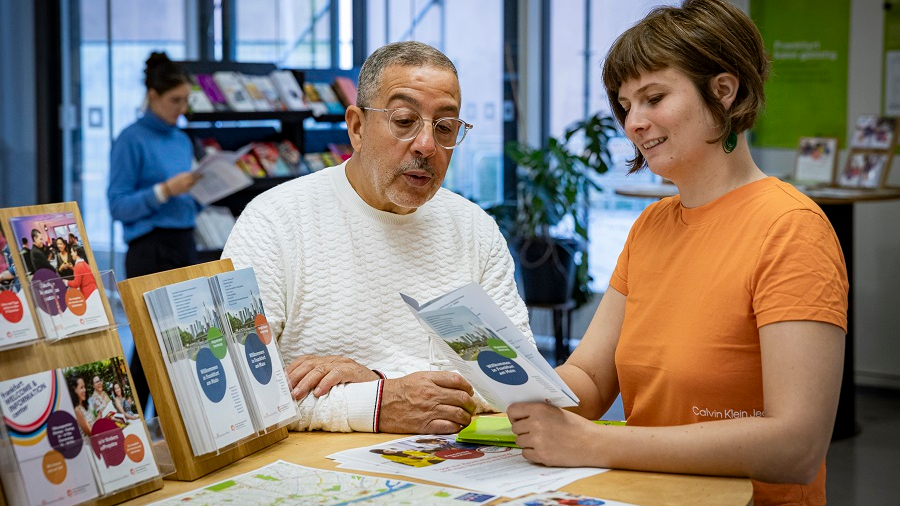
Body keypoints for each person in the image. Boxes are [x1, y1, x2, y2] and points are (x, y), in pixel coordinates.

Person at [507, 2, 848, 506]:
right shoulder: (650, 225)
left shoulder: (791, 229)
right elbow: (592, 377)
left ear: (724, 91)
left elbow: (796, 446)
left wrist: (596, 441)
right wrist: (511, 388)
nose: (633, 124)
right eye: (625, 105)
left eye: (654, 97)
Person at [222, 41, 532, 435]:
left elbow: (520, 381)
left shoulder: (473, 228)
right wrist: (376, 403)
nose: (426, 145)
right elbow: (238, 392)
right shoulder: (275, 221)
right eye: (404, 120)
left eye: (445, 127)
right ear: (357, 127)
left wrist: (377, 382)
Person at [107, 51, 201, 409]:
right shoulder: (130, 140)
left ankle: (179, 420)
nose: (181, 108)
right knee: (149, 342)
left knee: (185, 341)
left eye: (185, 100)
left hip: (184, 242)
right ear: (153, 96)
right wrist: (164, 191)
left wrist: (203, 192)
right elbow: (117, 205)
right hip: (148, 247)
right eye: (174, 100)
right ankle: (130, 418)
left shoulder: (181, 139)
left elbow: (187, 199)